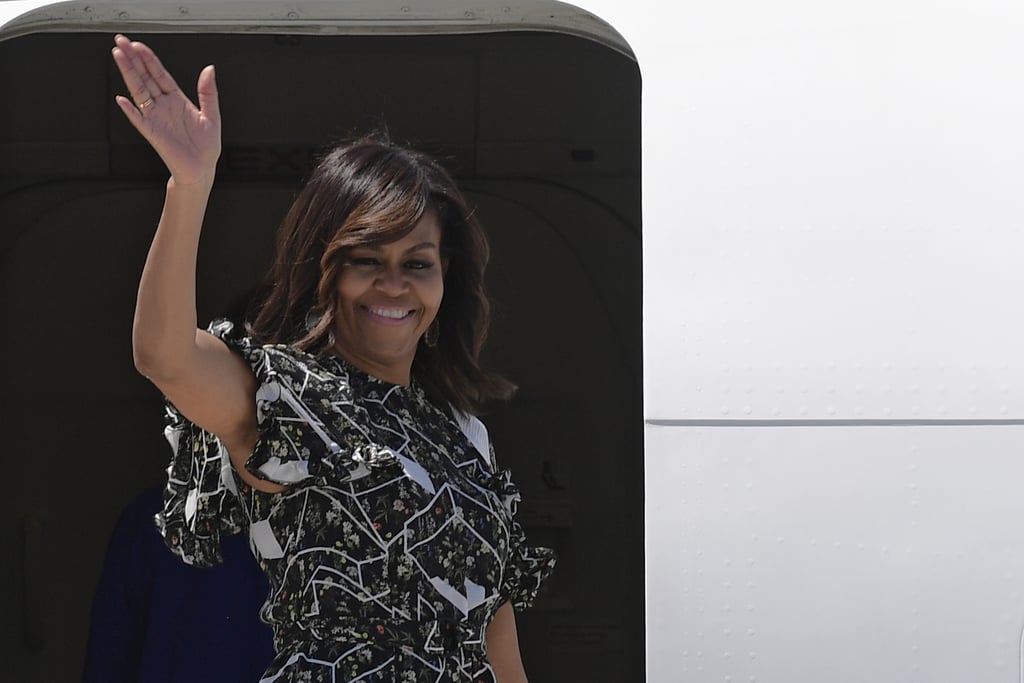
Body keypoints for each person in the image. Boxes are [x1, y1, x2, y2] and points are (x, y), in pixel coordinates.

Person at [111, 33, 555, 683]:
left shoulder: (466, 438)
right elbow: (166, 356)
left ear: (444, 283)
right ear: (326, 274)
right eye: (367, 260)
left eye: (418, 263)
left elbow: (498, 647)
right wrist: (189, 184)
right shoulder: (291, 400)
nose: (394, 283)